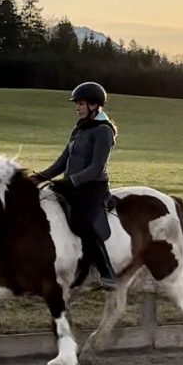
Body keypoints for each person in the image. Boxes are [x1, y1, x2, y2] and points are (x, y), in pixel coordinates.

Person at [35, 81, 118, 290]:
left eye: (81, 104)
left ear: (94, 105)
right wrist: (39, 177)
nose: (77, 108)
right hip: (72, 187)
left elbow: (96, 168)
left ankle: (107, 272)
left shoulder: (103, 131)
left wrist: (70, 182)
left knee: (81, 222)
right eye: (77, 104)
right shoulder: (79, 129)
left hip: (92, 189)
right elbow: (63, 161)